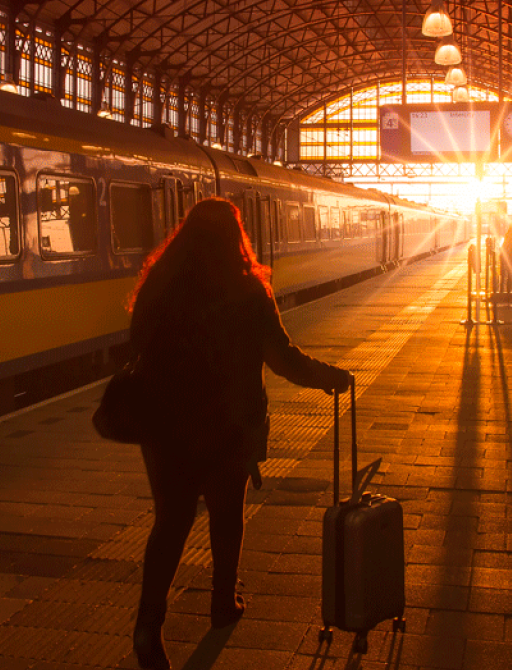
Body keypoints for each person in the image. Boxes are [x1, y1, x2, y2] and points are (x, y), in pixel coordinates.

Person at [127, 198, 353, 670]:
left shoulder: (158, 288)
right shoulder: (249, 291)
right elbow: (283, 358)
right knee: (227, 516)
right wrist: (332, 376)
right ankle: (222, 602)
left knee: (170, 522)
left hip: (165, 426)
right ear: (236, 239)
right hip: (227, 424)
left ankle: (149, 624)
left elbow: (138, 349)